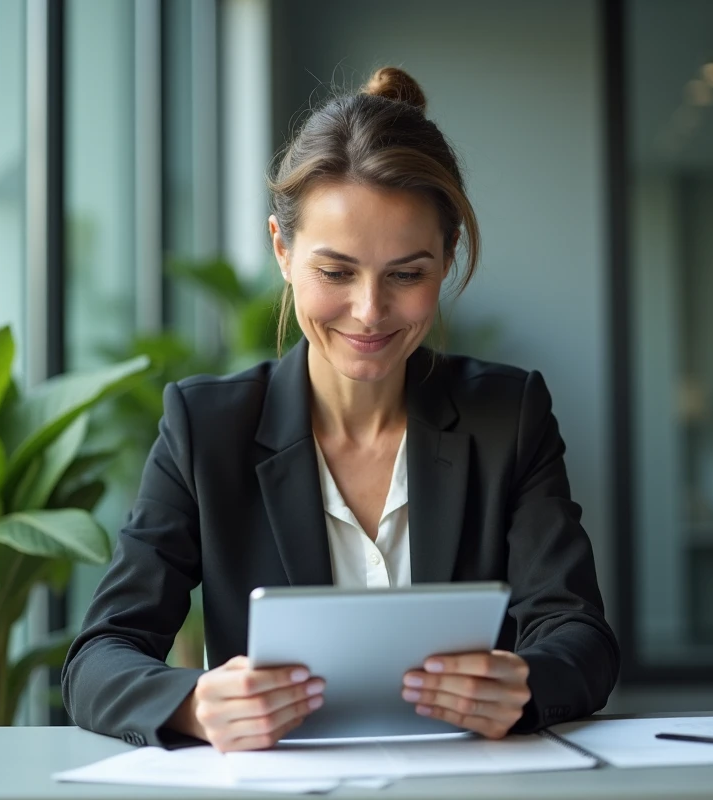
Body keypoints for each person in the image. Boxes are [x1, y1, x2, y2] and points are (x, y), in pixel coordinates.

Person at [62, 66, 618, 752]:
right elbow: (98, 659)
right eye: (336, 272)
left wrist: (525, 683)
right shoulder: (205, 430)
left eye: (406, 275)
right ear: (282, 250)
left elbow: (582, 639)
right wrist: (195, 704)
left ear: (446, 260)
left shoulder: (508, 415)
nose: (369, 311)